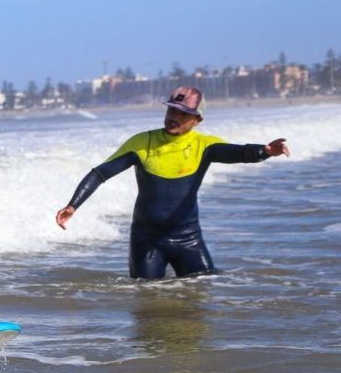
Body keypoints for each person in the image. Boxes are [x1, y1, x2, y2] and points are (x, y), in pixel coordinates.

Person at [55, 86, 289, 279]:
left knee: (203, 297)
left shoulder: (204, 145)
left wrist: (266, 150)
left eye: (183, 113)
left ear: (197, 119)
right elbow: (99, 174)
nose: (174, 117)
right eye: (172, 110)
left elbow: (237, 152)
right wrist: (73, 205)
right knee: (147, 305)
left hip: (189, 237)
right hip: (147, 240)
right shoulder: (142, 143)